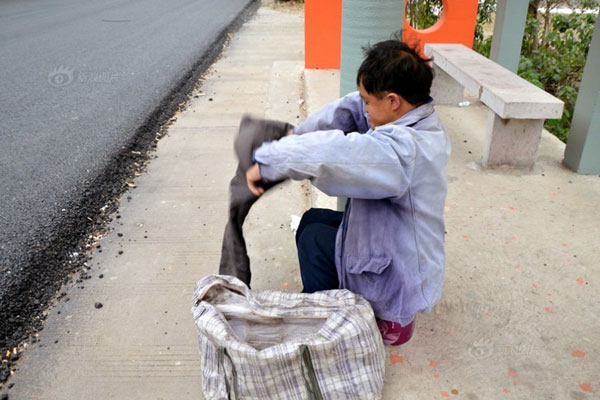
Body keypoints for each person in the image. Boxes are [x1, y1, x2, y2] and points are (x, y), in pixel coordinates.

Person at [246, 39, 451, 346]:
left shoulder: (402, 152)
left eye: (370, 101)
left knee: (314, 240)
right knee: (312, 220)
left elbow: (336, 155)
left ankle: (337, 321)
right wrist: (297, 136)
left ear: (393, 101)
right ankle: (335, 302)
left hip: (396, 287)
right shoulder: (417, 117)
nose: (364, 108)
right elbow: (353, 108)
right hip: (398, 242)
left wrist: (269, 162)